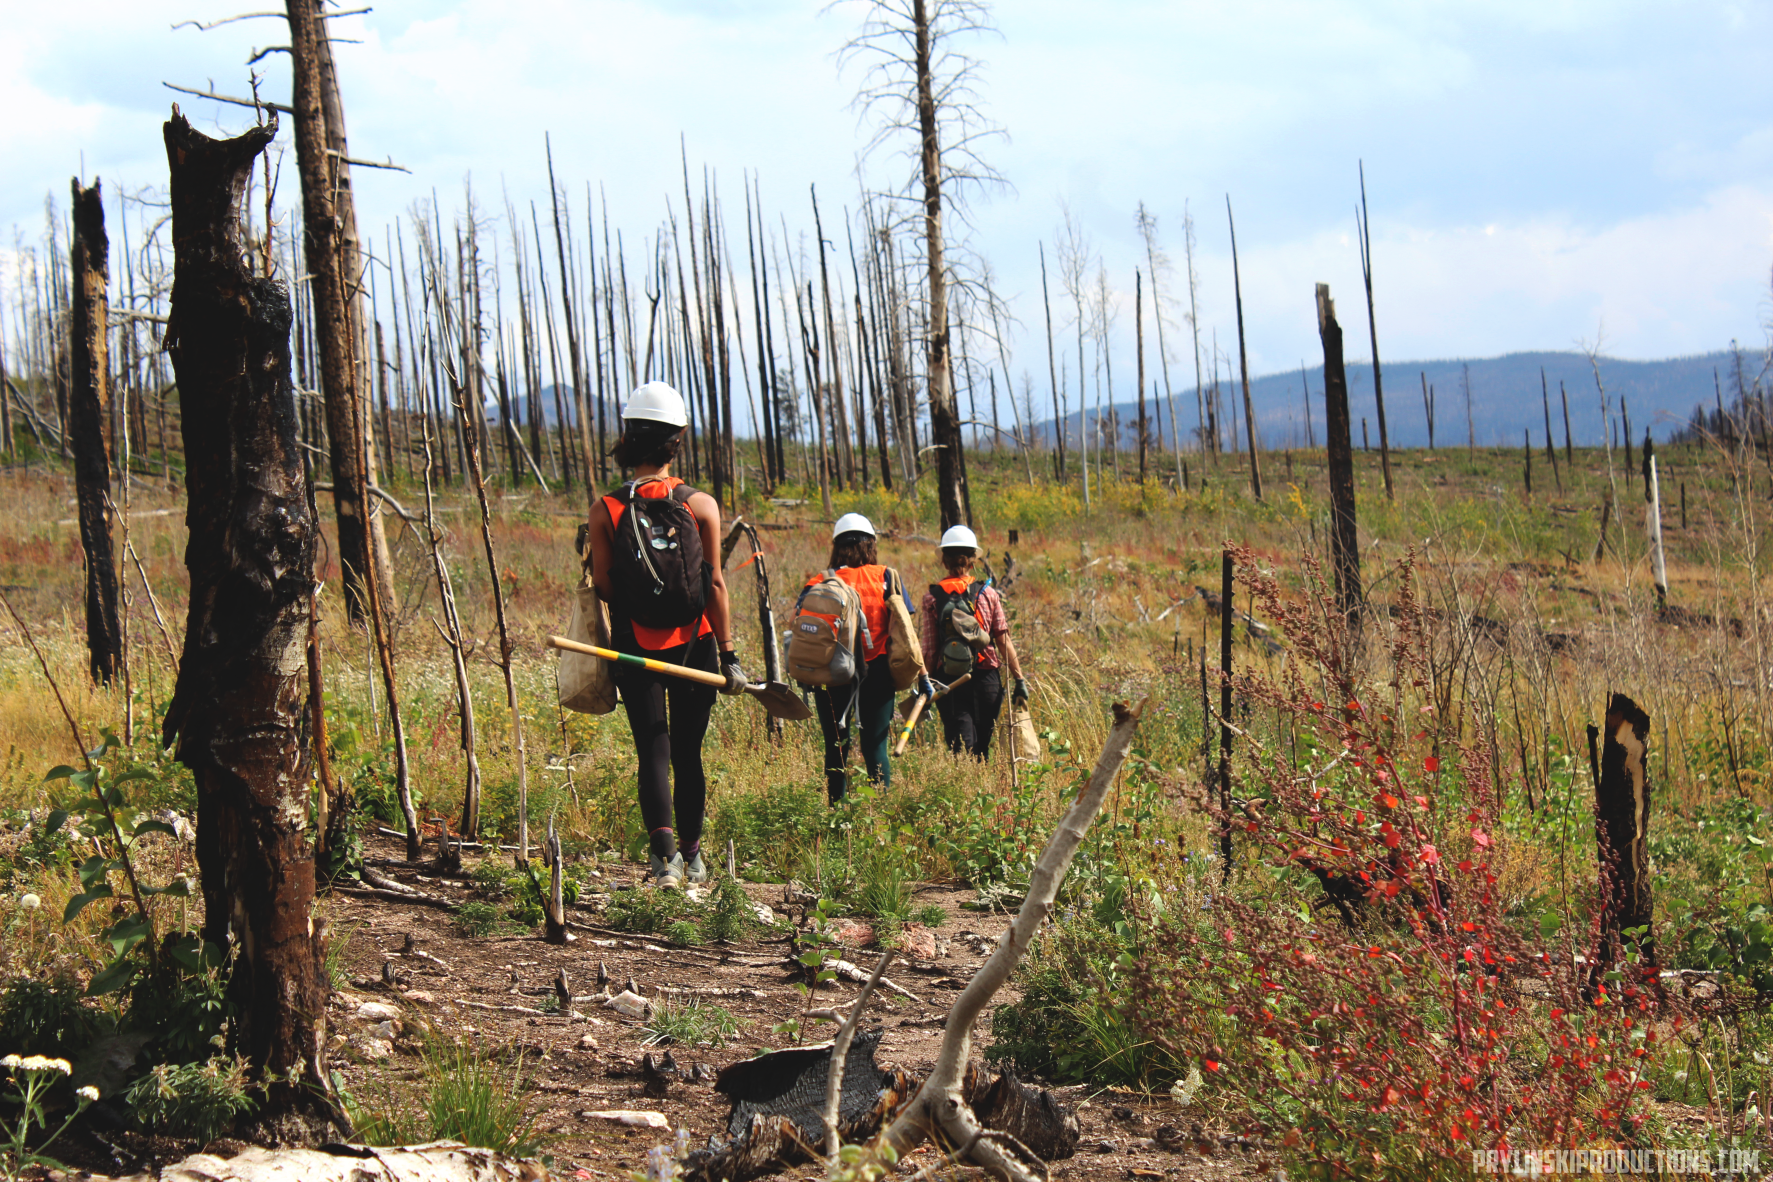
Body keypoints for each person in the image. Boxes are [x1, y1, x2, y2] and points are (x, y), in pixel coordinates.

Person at [586, 382, 748, 888]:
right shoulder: (701, 505)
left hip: (636, 645)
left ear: (629, 439)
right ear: (676, 441)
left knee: (652, 750)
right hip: (696, 644)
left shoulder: (606, 510)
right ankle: (696, 859)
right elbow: (716, 583)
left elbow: (605, 586)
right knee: (688, 753)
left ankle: (664, 861)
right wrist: (729, 654)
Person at [805, 513, 918, 805]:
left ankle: (837, 814)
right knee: (875, 747)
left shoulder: (820, 580)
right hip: (877, 671)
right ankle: (879, 812)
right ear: (871, 544)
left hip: (832, 673)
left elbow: (802, 624)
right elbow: (905, 620)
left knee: (835, 746)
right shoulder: (887, 576)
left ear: (837, 547)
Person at [920, 524, 1027, 759]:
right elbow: (1003, 640)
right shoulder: (988, 594)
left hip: (948, 680)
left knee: (960, 746)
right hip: (986, 677)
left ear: (944, 561)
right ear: (972, 561)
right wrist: (1019, 678)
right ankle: (983, 788)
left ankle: (968, 788)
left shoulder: (932, 597)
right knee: (982, 744)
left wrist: (925, 683)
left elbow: (928, 651)